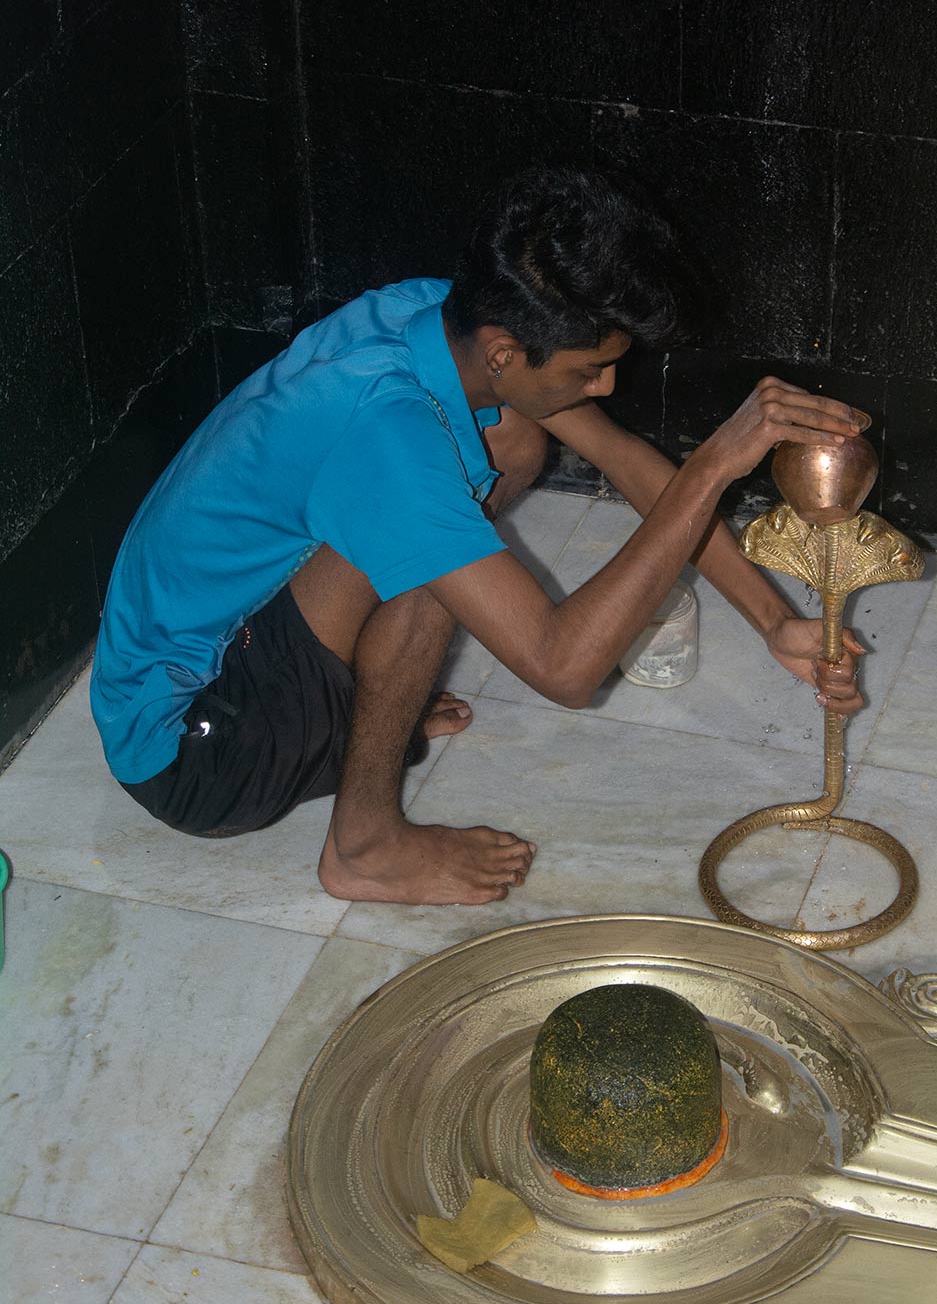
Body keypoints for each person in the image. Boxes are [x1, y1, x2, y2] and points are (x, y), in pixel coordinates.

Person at [91, 166, 866, 909]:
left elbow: (624, 458)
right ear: (503, 352)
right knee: (435, 557)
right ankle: (364, 846)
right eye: (590, 371)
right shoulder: (386, 435)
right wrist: (713, 466)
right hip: (197, 751)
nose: (606, 387)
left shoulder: (429, 314)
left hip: (236, 636)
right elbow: (563, 668)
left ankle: (365, 707)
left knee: (511, 441)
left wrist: (774, 621)